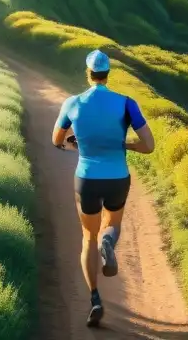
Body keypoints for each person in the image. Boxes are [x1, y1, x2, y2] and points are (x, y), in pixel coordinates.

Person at [52, 49, 155, 327]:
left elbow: (56, 139)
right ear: (108, 74)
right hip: (117, 176)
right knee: (113, 225)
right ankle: (109, 241)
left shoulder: (73, 103)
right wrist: (126, 144)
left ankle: (95, 298)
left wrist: (76, 142)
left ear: (88, 73)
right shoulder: (126, 104)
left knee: (88, 236)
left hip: (86, 177)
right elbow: (148, 145)